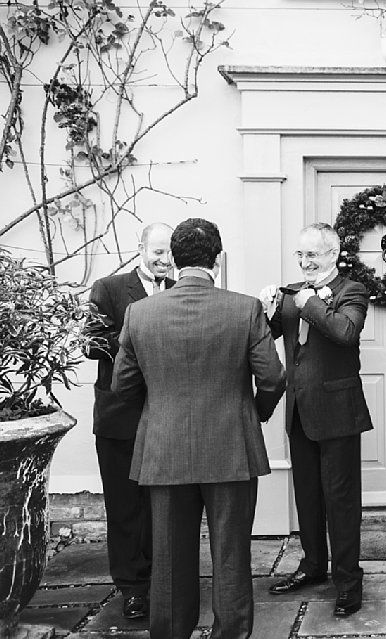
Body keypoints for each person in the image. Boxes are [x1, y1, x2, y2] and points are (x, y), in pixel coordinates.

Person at [113, 218, 286, 639]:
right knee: (231, 554)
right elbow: (273, 378)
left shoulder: (140, 313)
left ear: (174, 259)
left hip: (165, 448)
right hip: (231, 447)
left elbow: (122, 386)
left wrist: (160, 412)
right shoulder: (245, 308)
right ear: (217, 259)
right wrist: (254, 413)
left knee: (170, 558)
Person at [259, 222, 371, 617]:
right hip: (299, 412)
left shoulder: (352, 290)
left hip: (339, 413)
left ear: (333, 254)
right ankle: (312, 566)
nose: (305, 261)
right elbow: (269, 335)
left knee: (341, 501)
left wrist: (310, 303)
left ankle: (348, 581)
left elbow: (345, 332)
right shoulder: (292, 294)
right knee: (307, 497)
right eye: (301, 254)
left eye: (313, 254)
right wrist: (268, 310)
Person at [83, 222, 174, 620]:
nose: (164, 259)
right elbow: (91, 345)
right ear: (141, 248)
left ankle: (162, 579)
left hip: (166, 416)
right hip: (119, 415)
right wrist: (138, 335)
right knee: (124, 507)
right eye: (157, 251)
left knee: (162, 506)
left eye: (169, 252)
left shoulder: (179, 291)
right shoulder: (109, 288)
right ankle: (132, 588)